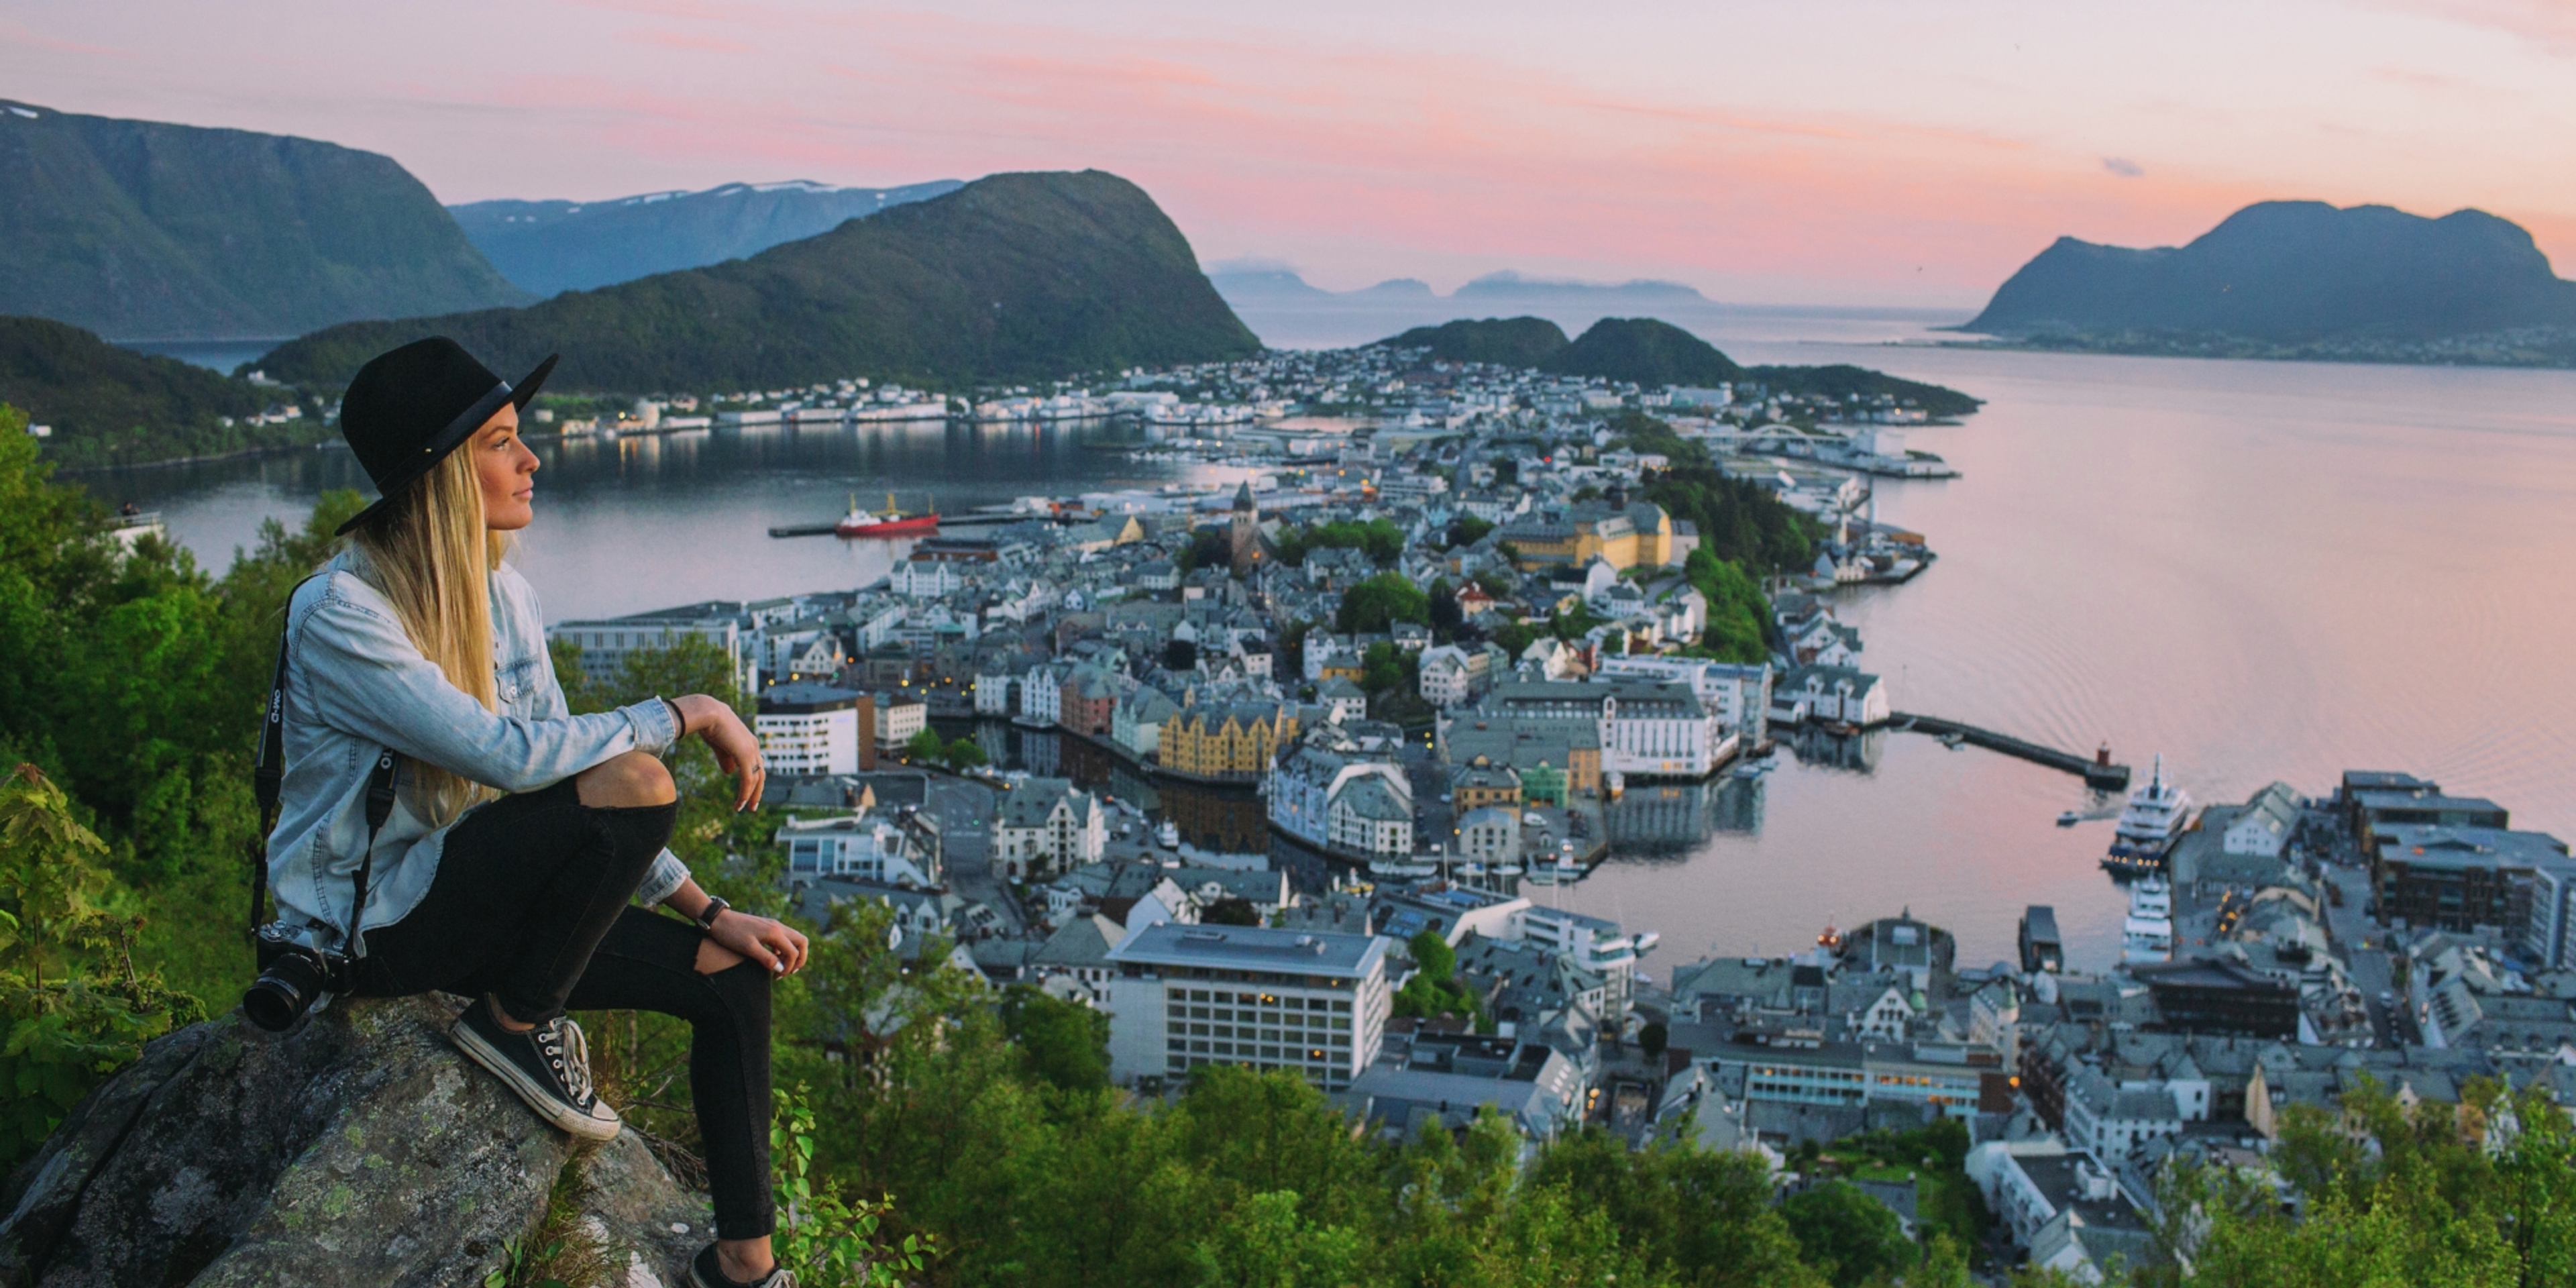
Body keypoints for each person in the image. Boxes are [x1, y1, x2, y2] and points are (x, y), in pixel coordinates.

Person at [262, 337, 807, 1288]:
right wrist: (688, 712)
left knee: (732, 974)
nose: (533, 460)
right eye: (503, 442)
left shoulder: (502, 594)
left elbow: (569, 777)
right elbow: (510, 759)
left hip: (478, 899)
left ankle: (744, 1268)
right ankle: (517, 1025)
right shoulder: (343, 612)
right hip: (375, 931)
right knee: (643, 776)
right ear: (439, 477)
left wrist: (713, 914)